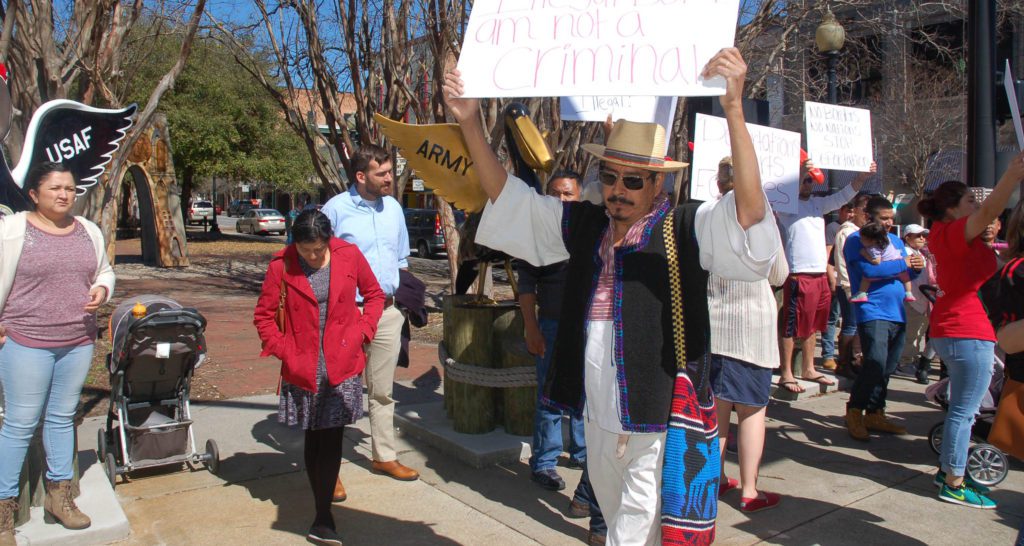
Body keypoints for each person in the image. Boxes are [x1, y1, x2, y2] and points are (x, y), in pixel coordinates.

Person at [444, 47, 781, 545]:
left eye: (633, 180)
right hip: (596, 407)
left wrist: (733, 109)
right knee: (616, 507)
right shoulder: (586, 224)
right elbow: (508, 200)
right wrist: (470, 123)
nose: (618, 189)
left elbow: (749, 215)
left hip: (655, 409)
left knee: (634, 524)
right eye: (609, 177)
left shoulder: (685, 226)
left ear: (658, 182)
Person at [253, 210, 385, 545]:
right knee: (313, 436)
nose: (312, 256)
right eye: (306, 250)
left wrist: (363, 331)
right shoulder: (280, 266)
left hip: (343, 360)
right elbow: (264, 316)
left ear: (329, 241)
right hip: (304, 363)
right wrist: (285, 350)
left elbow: (374, 295)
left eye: (318, 250)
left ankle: (323, 516)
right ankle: (321, 506)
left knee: (331, 437)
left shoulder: (348, 255)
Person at [0, 162, 115, 544]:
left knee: (62, 418)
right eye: (55, 188)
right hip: (26, 340)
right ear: (34, 193)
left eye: (69, 187)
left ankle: (59, 497)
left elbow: (104, 271)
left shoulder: (88, 231)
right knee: (19, 425)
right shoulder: (13, 230)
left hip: (77, 341)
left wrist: (102, 289)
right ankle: (3, 511)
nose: (64, 194)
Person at [916, 151, 1024, 510]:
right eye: (968, 200)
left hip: (960, 331)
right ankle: (955, 482)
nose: (974, 204)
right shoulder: (950, 234)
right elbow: (990, 211)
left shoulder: (957, 239)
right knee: (966, 412)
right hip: (967, 332)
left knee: (962, 410)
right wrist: (1012, 174)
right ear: (951, 209)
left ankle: (948, 471)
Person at [322, 145, 420, 485]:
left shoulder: (393, 208)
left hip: (388, 313)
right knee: (336, 391)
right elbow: (317, 261)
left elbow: (401, 258)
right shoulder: (335, 210)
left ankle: (384, 457)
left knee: (382, 390)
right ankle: (328, 469)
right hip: (348, 314)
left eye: (390, 171)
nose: (390, 179)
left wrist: (404, 302)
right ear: (361, 176)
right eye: (382, 174)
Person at [518, 170, 604, 543]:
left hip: (590, 326)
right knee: (550, 397)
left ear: (580, 196)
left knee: (588, 400)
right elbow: (525, 287)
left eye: (569, 194)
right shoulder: (539, 232)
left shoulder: (591, 229)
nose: (562, 200)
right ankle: (544, 462)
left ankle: (582, 453)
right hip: (551, 326)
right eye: (555, 194)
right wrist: (531, 327)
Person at [708, 156, 788, 513]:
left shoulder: (705, 215)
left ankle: (713, 483)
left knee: (717, 412)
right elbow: (779, 274)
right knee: (753, 412)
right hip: (751, 330)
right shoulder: (762, 217)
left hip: (714, 326)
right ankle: (750, 490)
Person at [775, 162, 876, 394]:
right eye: (805, 179)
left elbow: (843, 196)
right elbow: (784, 191)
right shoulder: (785, 205)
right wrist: (800, 170)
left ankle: (809, 367)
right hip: (797, 273)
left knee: (814, 325)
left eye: (811, 179)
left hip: (819, 272)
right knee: (791, 325)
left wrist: (861, 178)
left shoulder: (818, 204)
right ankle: (786, 372)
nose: (808, 183)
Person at [842, 196, 921, 441]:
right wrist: (903, 263)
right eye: (883, 218)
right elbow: (869, 270)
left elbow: (906, 271)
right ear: (869, 218)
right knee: (874, 362)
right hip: (873, 310)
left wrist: (915, 266)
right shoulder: (857, 240)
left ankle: (875, 411)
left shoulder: (896, 241)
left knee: (887, 366)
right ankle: (855, 409)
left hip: (897, 310)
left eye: (891, 218)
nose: (889, 223)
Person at [832, 193, 871, 378]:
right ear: (854, 211)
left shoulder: (864, 231)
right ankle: (844, 362)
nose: (866, 215)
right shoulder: (846, 232)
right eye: (864, 210)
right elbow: (841, 262)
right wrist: (849, 287)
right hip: (849, 285)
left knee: (857, 325)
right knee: (850, 325)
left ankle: (855, 359)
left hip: (862, 286)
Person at [898, 224, 936, 384]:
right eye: (917, 235)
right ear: (908, 238)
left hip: (924, 299)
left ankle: (911, 358)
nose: (922, 238)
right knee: (910, 334)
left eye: (923, 235)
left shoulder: (922, 254)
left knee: (919, 333)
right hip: (912, 300)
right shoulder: (906, 253)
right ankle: (904, 362)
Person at [821, 202, 854, 370]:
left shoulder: (856, 230)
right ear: (841, 210)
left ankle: (845, 356)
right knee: (832, 318)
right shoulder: (834, 228)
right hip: (837, 278)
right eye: (848, 210)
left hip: (849, 281)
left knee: (845, 321)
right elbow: (829, 254)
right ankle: (828, 354)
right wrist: (831, 278)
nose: (851, 214)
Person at [849, 221, 914, 303]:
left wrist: (865, 254)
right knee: (906, 278)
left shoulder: (874, 248)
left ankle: (862, 293)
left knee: (866, 279)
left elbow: (876, 261)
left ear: (872, 240)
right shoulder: (888, 240)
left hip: (889, 268)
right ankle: (908, 293)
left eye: (863, 239)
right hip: (899, 263)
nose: (860, 241)